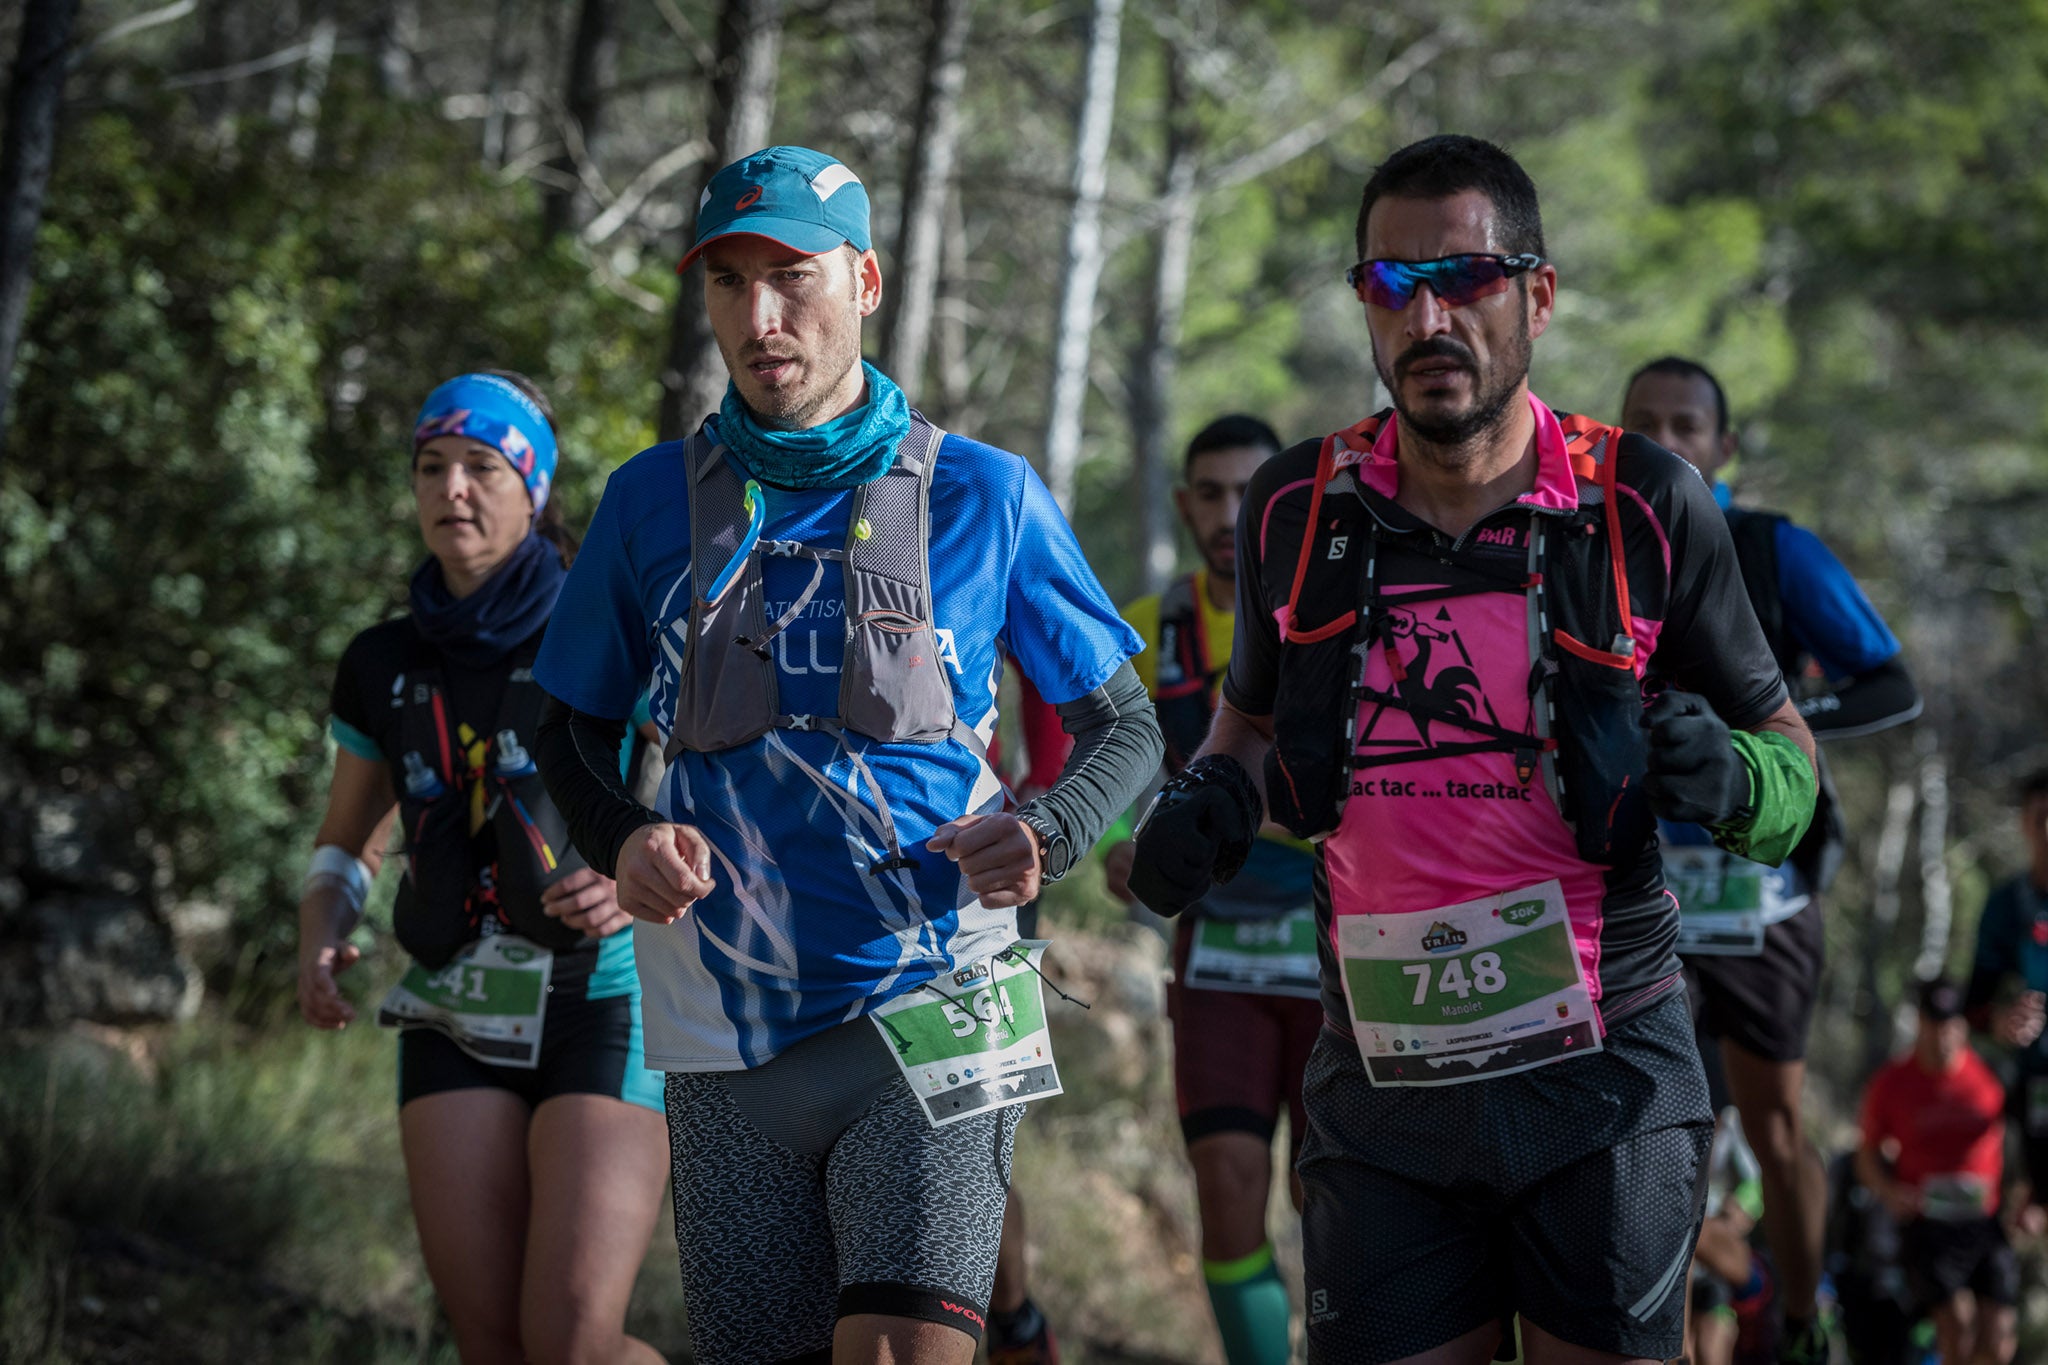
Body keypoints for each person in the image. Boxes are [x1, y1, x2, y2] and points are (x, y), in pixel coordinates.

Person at [1129, 133, 1819, 1364]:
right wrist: (1204, 803)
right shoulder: (1296, 505)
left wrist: (1734, 781)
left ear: (1536, 297)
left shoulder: (1644, 503)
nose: (1427, 315)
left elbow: (1789, 764)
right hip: (1383, 1089)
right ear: (1362, 304)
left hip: (1602, 1081)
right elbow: (1241, 721)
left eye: (1464, 279)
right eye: (1391, 285)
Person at [528, 146, 1162, 1365]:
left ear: (865, 281)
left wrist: (1049, 829)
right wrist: (619, 836)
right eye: (727, 283)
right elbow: (562, 723)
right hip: (722, 1022)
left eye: (791, 277)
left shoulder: (987, 492)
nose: (758, 317)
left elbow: (1125, 727)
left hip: (942, 998)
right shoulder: (649, 502)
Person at [295, 371, 670, 1365]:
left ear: (533, 487)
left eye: (481, 466)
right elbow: (348, 838)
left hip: (606, 1001)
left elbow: (702, 800)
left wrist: (636, 874)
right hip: (453, 1006)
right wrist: (323, 931)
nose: (451, 489)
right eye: (431, 467)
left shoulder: (609, 631)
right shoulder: (377, 660)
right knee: (492, 1346)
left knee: (574, 1344)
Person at [1622, 356, 1922, 1362]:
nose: (1666, 441)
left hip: (1760, 896)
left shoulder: (1769, 548)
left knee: (1776, 1128)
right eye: (1644, 423)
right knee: (1640, 1137)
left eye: (1687, 425)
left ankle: (1801, 1318)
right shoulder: (1580, 545)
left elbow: (1888, 685)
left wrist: (1771, 732)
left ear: (1723, 447)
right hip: (1630, 894)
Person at [1100, 414, 1318, 1365]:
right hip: (1217, 953)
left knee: (1337, 1199)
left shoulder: (1331, 613)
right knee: (1228, 1184)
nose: (1232, 514)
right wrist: (1113, 839)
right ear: (1186, 504)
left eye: (1251, 490)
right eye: (1212, 493)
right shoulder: (1151, 630)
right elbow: (1103, 761)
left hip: (1341, 956)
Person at [1856, 978, 2019, 1365]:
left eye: (1950, 1024)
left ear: (1962, 1026)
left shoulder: (1992, 1075)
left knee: (1998, 1339)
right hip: (1927, 1225)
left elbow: (2024, 1135)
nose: (1942, 1035)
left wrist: (2027, 1195)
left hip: (1983, 1221)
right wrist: (1889, 1191)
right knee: (1957, 1325)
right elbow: (1866, 1156)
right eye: (1933, 1023)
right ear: (1919, 1023)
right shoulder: (1892, 1083)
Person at [1965, 767, 2048, 1214]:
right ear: (2024, 823)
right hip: (2034, 1084)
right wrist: (2001, 1021)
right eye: (2041, 817)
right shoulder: (2007, 906)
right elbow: (1972, 1006)